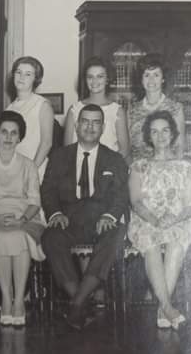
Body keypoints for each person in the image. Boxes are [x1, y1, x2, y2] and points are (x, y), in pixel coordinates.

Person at [41, 104, 129, 330]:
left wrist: (110, 215)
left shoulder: (114, 159)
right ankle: (80, 301)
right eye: (85, 122)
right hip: (69, 221)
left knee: (116, 234)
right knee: (50, 237)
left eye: (96, 122)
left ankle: (77, 304)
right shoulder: (59, 156)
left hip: (101, 222)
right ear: (77, 125)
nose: (90, 127)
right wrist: (56, 213)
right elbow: (48, 190)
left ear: (103, 128)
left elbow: (121, 194)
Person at [0, 110, 46, 327]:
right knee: (4, 237)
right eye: (4, 132)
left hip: (27, 219)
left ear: (20, 137)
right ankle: (6, 298)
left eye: (14, 133)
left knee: (18, 235)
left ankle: (19, 300)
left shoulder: (29, 165)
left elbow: (35, 202)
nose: (8, 137)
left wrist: (22, 219)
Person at [127, 110, 191, 330]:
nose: (160, 136)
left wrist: (173, 220)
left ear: (173, 134)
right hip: (146, 220)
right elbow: (136, 202)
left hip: (177, 221)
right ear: (148, 136)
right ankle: (167, 306)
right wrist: (156, 221)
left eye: (165, 131)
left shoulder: (186, 167)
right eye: (154, 132)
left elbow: (190, 206)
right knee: (152, 243)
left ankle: (162, 309)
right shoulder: (138, 166)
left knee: (176, 241)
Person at [64, 56, 130, 160]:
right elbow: (67, 149)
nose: (94, 81)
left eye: (100, 76)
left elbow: (124, 150)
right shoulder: (74, 109)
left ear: (107, 79)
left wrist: (106, 166)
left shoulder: (117, 111)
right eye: (90, 77)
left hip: (108, 167)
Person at [128, 54, 185, 162]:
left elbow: (179, 147)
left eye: (156, 75)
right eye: (146, 75)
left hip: (166, 169)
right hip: (139, 170)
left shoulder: (175, 109)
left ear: (163, 79)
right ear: (141, 79)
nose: (151, 80)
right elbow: (128, 149)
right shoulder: (132, 111)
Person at [6, 56, 54, 180]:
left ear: (35, 79)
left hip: (35, 171)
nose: (21, 77)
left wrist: (31, 171)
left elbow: (46, 143)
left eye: (28, 74)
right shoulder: (9, 108)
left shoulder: (42, 105)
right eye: (18, 72)